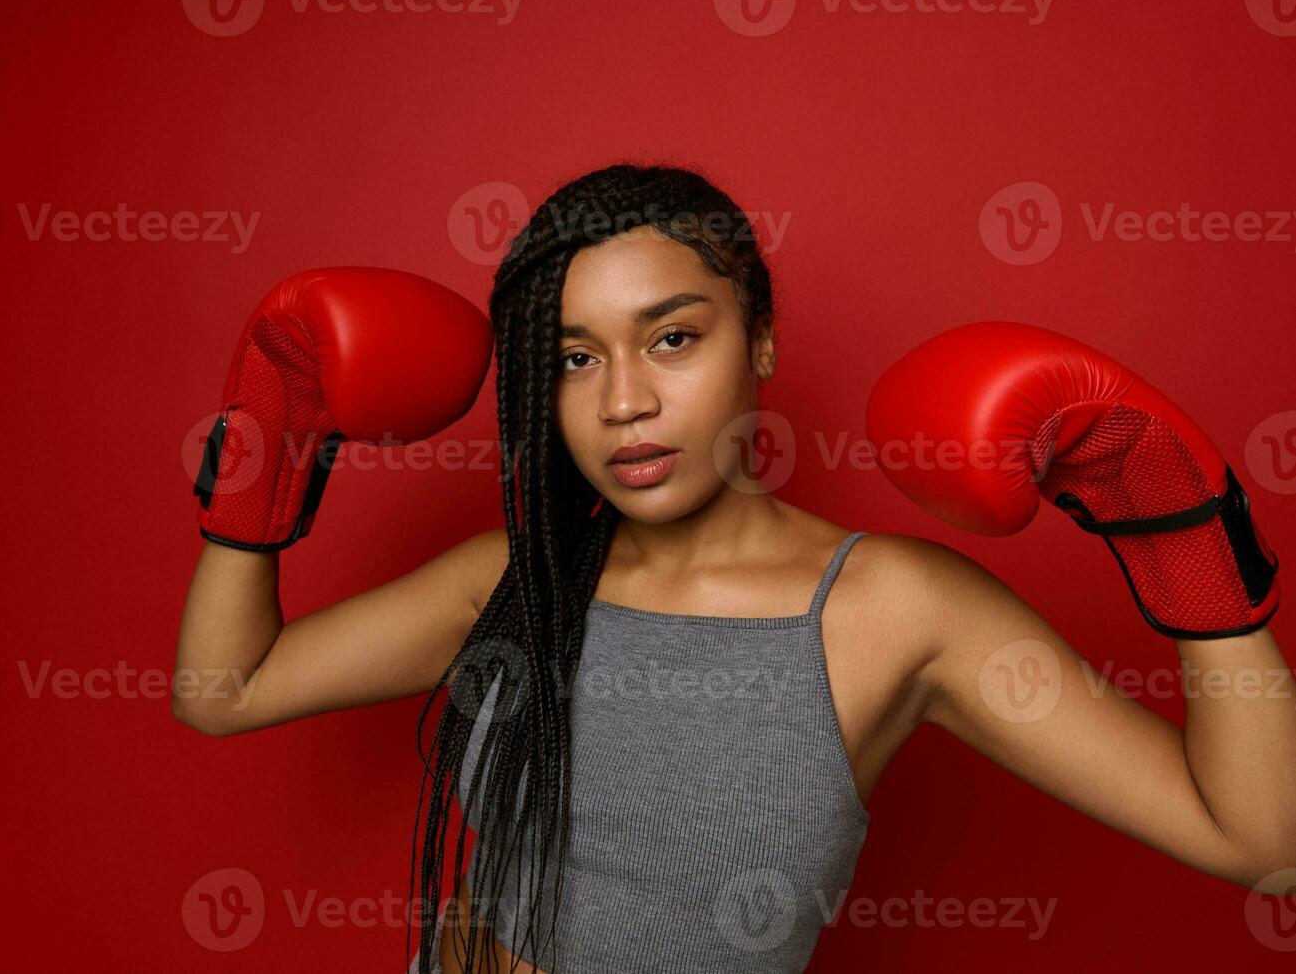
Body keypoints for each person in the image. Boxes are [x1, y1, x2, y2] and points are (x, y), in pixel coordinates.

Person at [174, 163, 1296, 974]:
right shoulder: (520, 576)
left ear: (758, 340)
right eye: (575, 357)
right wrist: (261, 462)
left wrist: (1183, 537)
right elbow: (223, 691)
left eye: (673, 337)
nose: (624, 400)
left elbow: (1263, 844)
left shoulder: (895, 609)